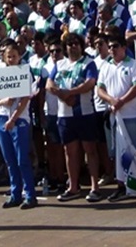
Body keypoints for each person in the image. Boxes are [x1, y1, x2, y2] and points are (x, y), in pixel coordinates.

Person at [48, 33, 101, 202]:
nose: (73, 47)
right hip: (65, 115)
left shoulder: (88, 63)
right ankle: (73, 187)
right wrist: (62, 95)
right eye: (70, 44)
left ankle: (95, 187)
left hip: (85, 113)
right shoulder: (60, 64)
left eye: (76, 43)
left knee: (90, 150)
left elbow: (90, 83)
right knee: (69, 152)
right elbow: (49, 84)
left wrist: (70, 93)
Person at [96, 35, 136, 203]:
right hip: (114, 115)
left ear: (124, 47)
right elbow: (99, 89)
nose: (112, 50)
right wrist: (112, 101)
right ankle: (121, 186)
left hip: (131, 115)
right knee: (116, 152)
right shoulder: (105, 66)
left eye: (115, 46)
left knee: (134, 150)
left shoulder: (134, 65)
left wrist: (121, 101)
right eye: (110, 47)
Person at [0, 40, 38, 209]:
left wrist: (13, 119)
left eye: (14, 56)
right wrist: (3, 101)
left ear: (19, 57)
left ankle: (30, 195)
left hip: (19, 120)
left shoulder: (24, 72)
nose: (11, 59)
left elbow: (25, 99)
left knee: (22, 159)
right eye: (8, 56)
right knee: (9, 160)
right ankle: (15, 194)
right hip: (1, 118)